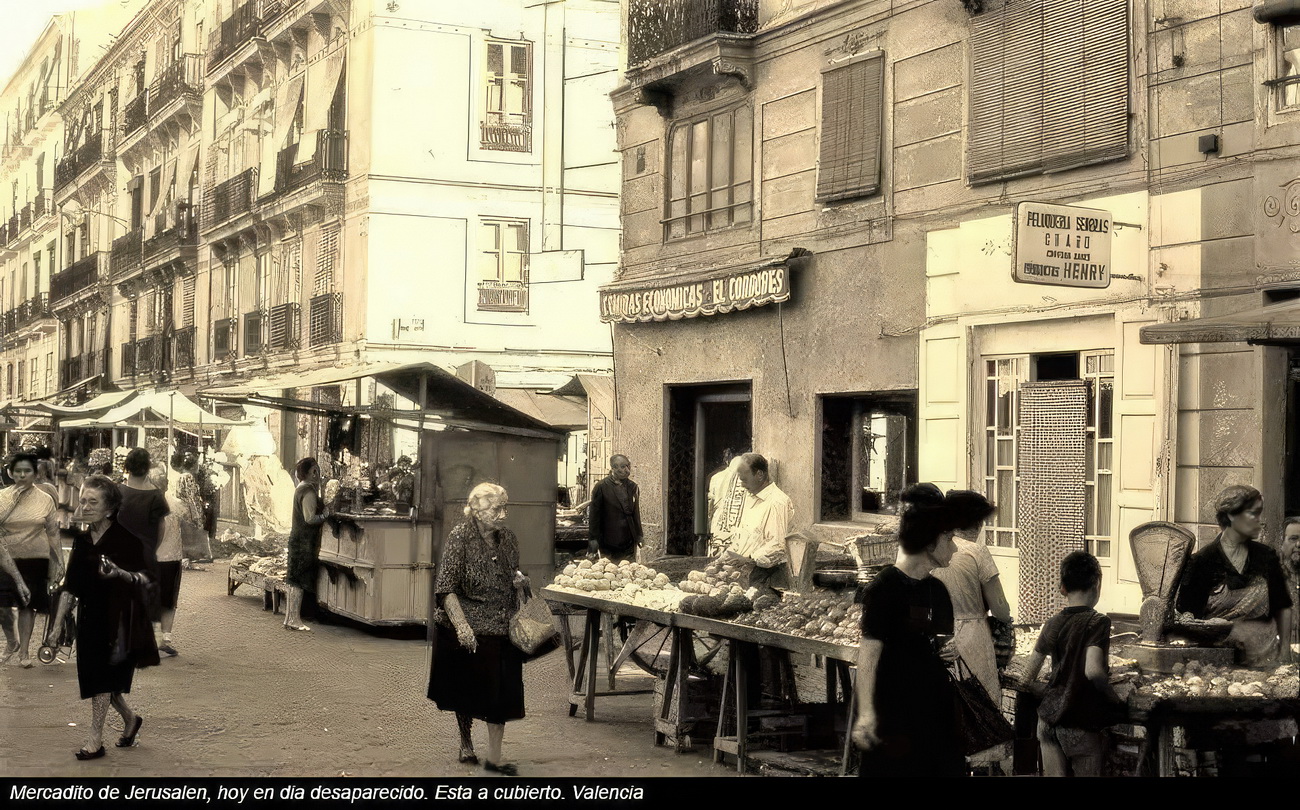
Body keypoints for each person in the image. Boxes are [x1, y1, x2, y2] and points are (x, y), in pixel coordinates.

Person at [852, 482, 964, 778]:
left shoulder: (939, 591)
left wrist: (949, 651)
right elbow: (868, 657)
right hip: (894, 714)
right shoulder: (884, 588)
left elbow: (938, 645)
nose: (955, 547)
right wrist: (866, 715)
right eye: (949, 538)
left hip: (934, 713)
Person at [427, 482, 529, 775]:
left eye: (505, 508)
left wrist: (521, 581)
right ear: (477, 509)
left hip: (502, 623)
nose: (503, 514)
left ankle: (494, 756)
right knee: (467, 689)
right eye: (497, 509)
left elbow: (513, 572)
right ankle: (466, 741)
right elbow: (446, 588)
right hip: (469, 623)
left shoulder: (508, 538)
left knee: (503, 695)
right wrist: (462, 627)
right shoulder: (460, 537)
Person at [63, 474, 160, 759]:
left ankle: (95, 740)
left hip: (121, 618)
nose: (85, 507)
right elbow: (71, 585)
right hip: (90, 617)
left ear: (109, 509)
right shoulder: (82, 541)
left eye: (93, 502)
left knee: (103, 679)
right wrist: (56, 628)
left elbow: (147, 580)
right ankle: (130, 719)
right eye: (82, 501)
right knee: (100, 679)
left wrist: (120, 573)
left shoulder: (127, 541)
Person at [1016, 551, 1125, 777]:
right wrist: (1113, 697)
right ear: (1097, 584)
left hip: (1048, 723)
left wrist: (1053, 690)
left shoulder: (1052, 623)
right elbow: (1093, 671)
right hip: (1079, 723)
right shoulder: (1098, 622)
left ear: (1063, 588)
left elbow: (1026, 678)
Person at [1175, 485, 1295, 666]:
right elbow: (1187, 619)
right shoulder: (1202, 562)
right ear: (1231, 515)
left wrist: (1285, 653)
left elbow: (1283, 608)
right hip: (1217, 662)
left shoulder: (1266, 556)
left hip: (1263, 661)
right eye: (1252, 513)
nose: (1259, 520)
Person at [929, 491, 1011, 727]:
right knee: (980, 710)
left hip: (937, 637)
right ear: (978, 522)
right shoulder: (977, 552)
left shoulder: (932, 548)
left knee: (945, 710)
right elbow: (1001, 609)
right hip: (972, 635)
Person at [0, 452, 63, 668]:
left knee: (28, 606)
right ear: (10, 473)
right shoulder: (2, 497)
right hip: (5, 557)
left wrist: (59, 561)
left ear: (35, 474)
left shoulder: (45, 500)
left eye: (27, 471)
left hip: (35, 558)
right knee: (3, 606)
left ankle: (24, 652)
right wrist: (13, 500)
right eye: (18, 471)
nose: (22, 475)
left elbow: (53, 532)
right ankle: (12, 641)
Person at [728, 453, 794, 588]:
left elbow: (777, 546)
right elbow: (745, 538)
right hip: (747, 573)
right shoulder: (751, 498)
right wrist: (727, 556)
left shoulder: (777, 502)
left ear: (759, 475)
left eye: (744, 480)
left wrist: (749, 559)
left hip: (769, 576)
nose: (742, 485)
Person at [285, 457, 330, 631]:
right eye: (315, 470)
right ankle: (295, 620)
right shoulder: (309, 491)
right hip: (304, 543)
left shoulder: (300, 488)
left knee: (293, 581)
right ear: (311, 472)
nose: (318, 474)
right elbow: (310, 519)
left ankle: (290, 618)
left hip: (297, 540)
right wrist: (325, 515)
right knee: (299, 582)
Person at [151, 469, 184, 657]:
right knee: (169, 600)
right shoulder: (176, 504)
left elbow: (157, 531)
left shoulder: (150, 506)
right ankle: (165, 638)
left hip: (156, 559)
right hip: (173, 557)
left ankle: (156, 640)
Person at [588, 455, 642, 563]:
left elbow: (635, 513)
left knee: (628, 569)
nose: (627, 470)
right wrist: (593, 540)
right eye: (623, 467)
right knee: (610, 570)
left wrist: (639, 535)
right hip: (608, 541)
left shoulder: (633, 487)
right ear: (613, 468)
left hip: (629, 541)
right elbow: (594, 516)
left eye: (628, 466)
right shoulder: (601, 487)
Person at [707, 448, 748, 557]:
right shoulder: (749, 477)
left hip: (719, 528)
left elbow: (710, 509)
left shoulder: (716, 478)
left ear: (728, 455)